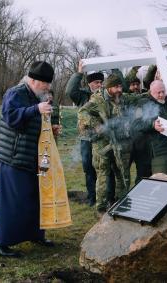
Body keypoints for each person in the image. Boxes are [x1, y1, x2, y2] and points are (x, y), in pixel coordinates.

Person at [0, 61, 56, 257]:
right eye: (45, 83)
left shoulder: (36, 95)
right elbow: (11, 117)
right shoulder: (15, 93)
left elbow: (31, 122)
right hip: (14, 157)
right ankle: (0, 242)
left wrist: (50, 128)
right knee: (13, 202)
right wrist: (36, 109)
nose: (47, 88)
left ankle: (36, 234)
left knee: (36, 199)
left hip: (33, 158)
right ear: (34, 80)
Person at [78, 74, 132, 214]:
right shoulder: (97, 99)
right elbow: (82, 112)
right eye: (116, 87)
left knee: (122, 173)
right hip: (102, 143)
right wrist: (97, 125)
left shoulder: (122, 98)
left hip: (119, 141)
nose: (120, 89)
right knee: (102, 174)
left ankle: (122, 203)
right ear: (108, 88)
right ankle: (101, 208)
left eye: (120, 86)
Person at [65, 60, 104, 207]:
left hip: (103, 139)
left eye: (101, 82)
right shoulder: (83, 97)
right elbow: (70, 91)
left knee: (104, 168)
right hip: (86, 138)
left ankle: (106, 196)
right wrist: (79, 73)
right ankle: (92, 197)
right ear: (89, 84)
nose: (99, 85)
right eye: (96, 83)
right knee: (88, 168)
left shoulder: (106, 96)